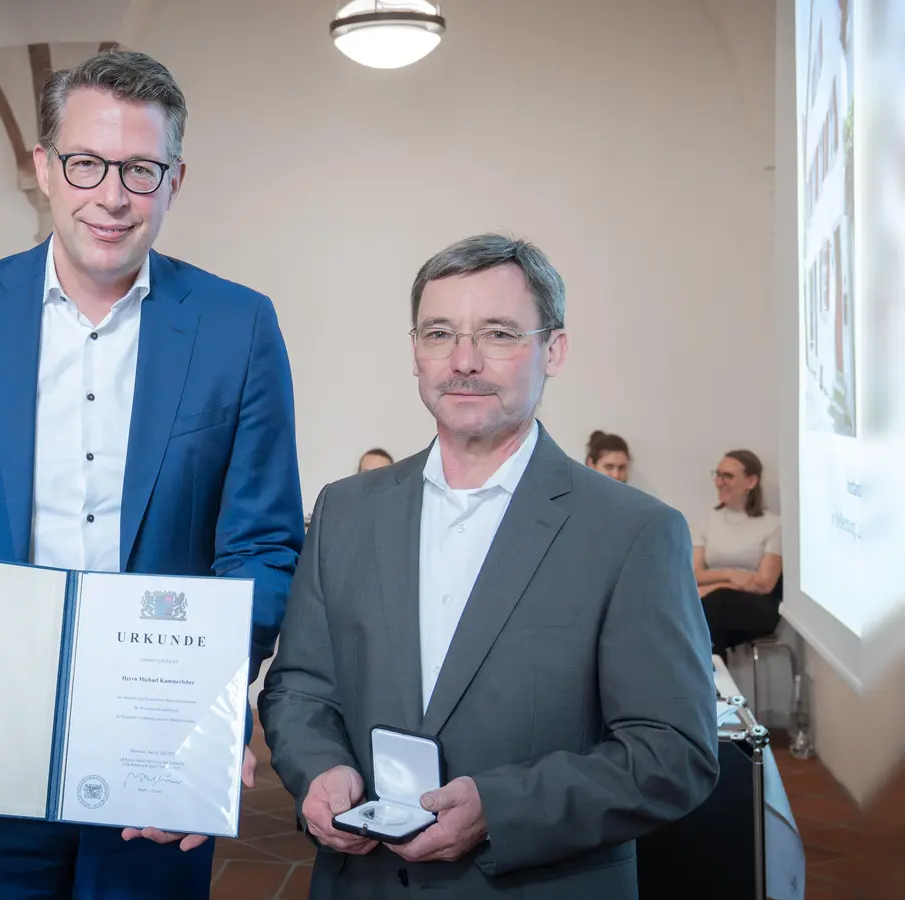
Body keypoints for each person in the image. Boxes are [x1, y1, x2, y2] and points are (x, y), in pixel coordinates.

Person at [0, 49, 304, 899]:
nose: (112, 194)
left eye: (140, 168)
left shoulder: (238, 327)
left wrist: (206, 704)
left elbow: (268, 545)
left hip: (158, 742)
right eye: (87, 162)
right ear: (45, 169)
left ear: (174, 181)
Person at [259, 234, 718, 899]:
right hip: (364, 882)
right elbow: (299, 687)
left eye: (499, 334)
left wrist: (501, 810)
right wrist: (319, 769)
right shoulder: (346, 511)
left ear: (552, 350)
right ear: (414, 350)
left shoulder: (634, 532)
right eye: (440, 333)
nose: (464, 361)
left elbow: (673, 754)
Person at [695, 449, 782, 654]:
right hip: (711, 605)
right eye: (718, 474)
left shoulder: (773, 525)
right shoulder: (707, 520)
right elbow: (694, 574)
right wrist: (731, 575)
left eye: (728, 476)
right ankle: (713, 676)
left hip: (758, 608)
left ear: (751, 482)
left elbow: (764, 584)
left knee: (714, 606)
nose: (719, 482)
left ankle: (708, 678)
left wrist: (716, 587)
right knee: (706, 613)